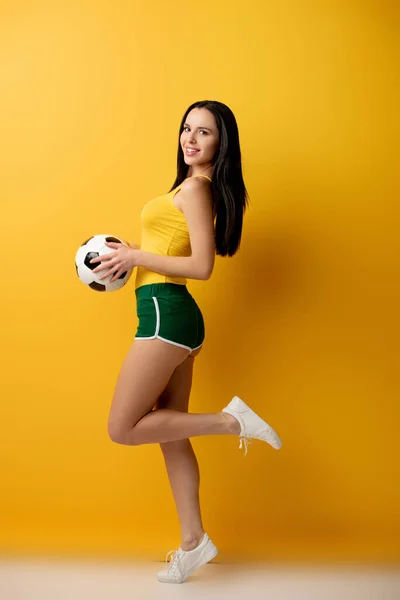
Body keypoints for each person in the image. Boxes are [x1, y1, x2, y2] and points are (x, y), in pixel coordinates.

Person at [90, 100, 282, 584]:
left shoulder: (197, 189)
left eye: (205, 133)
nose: (191, 139)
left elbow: (201, 266)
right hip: (173, 317)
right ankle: (194, 543)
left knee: (124, 426)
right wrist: (131, 255)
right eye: (186, 129)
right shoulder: (187, 186)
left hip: (165, 314)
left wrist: (135, 256)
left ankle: (230, 420)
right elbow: (168, 249)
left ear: (222, 143)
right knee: (171, 437)